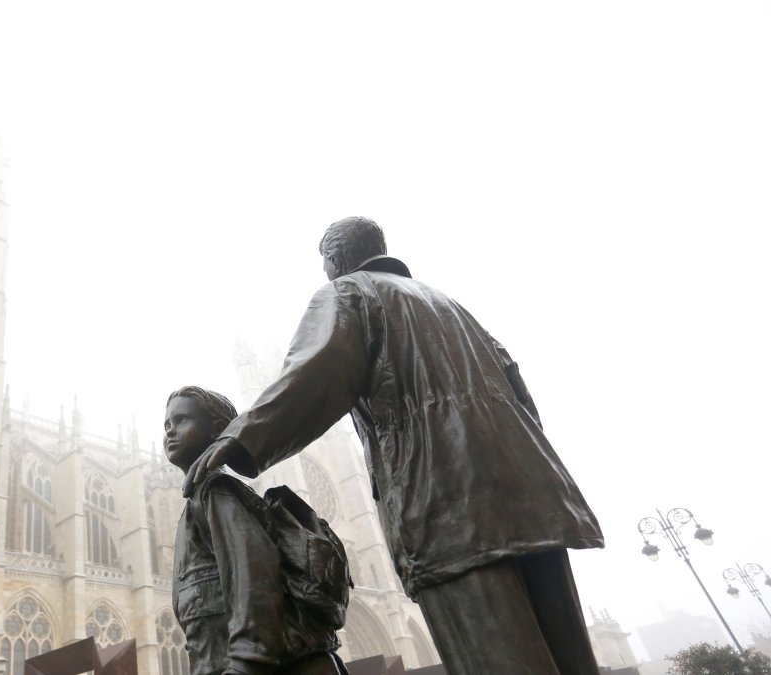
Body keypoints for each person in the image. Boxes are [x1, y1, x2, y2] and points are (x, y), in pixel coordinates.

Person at [185, 217, 604, 675]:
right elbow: (523, 398)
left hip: (445, 502)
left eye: (324, 260)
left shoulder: (349, 293)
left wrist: (239, 438)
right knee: (566, 650)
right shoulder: (449, 305)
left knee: (494, 651)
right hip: (532, 500)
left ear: (334, 258)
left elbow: (313, 376)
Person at [165, 386, 347, 675]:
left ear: (217, 431)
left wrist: (246, 664)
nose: (170, 432)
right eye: (167, 424)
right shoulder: (199, 499)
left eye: (182, 420)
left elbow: (253, 570)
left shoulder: (215, 491)